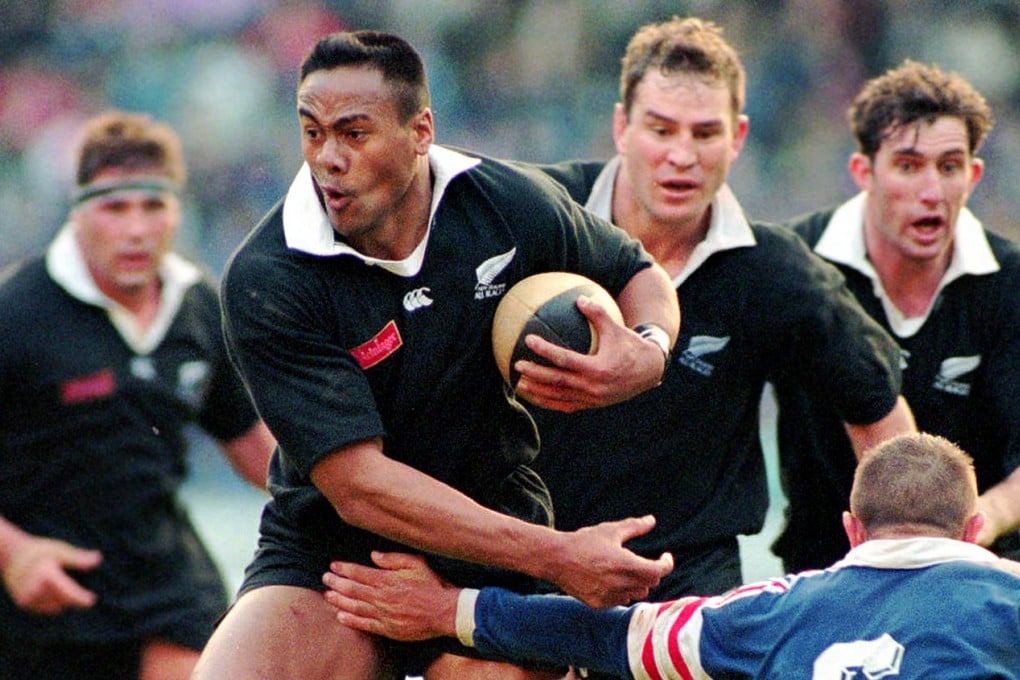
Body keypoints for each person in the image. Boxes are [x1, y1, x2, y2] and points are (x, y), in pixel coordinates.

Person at [191, 30, 680, 680]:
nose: (327, 159)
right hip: (336, 546)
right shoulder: (269, 275)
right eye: (312, 133)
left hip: (494, 526)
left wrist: (647, 351)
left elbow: (636, 271)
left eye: (354, 133)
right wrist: (559, 556)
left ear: (420, 130)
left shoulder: (505, 204)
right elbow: (361, 488)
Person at [523, 15, 914, 605]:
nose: (682, 155)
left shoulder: (775, 271)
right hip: (523, 559)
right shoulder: (537, 218)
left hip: (686, 588)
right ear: (622, 126)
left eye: (705, 133)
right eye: (662, 128)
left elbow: (879, 410)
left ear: (737, 137)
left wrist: (907, 561)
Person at [322, 432, 1020, 678]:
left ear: (852, 531)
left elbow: (608, 635)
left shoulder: (772, 613)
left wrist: (448, 608)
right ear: (971, 531)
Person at [0, 111, 276, 680]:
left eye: (153, 207)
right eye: (114, 207)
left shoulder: (198, 303)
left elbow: (253, 445)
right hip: (44, 596)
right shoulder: (15, 314)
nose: (135, 229)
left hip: (166, 583)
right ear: (77, 213)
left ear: (178, 211)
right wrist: (13, 553)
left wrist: (362, 501)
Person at [773, 59, 1020, 574]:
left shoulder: (1011, 284)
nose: (931, 190)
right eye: (908, 165)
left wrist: (975, 524)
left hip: (977, 572)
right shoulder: (792, 262)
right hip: (825, 572)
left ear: (973, 175)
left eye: (949, 166)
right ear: (863, 171)